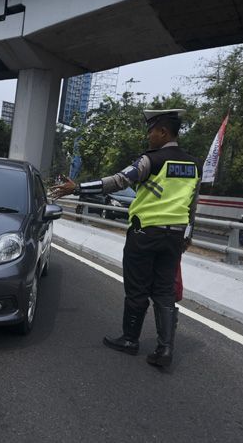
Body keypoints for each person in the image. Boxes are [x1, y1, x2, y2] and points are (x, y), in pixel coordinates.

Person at [49, 108, 201, 368]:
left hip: (145, 234)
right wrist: (188, 234)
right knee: (164, 291)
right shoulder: (194, 165)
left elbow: (119, 181)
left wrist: (78, 188)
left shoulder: (150, 160)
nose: (148, 136)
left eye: (151, 131)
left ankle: (130, 340)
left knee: (137, 288)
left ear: (163, 132)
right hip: (174, 237)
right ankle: (165, 348)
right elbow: (192, 204)